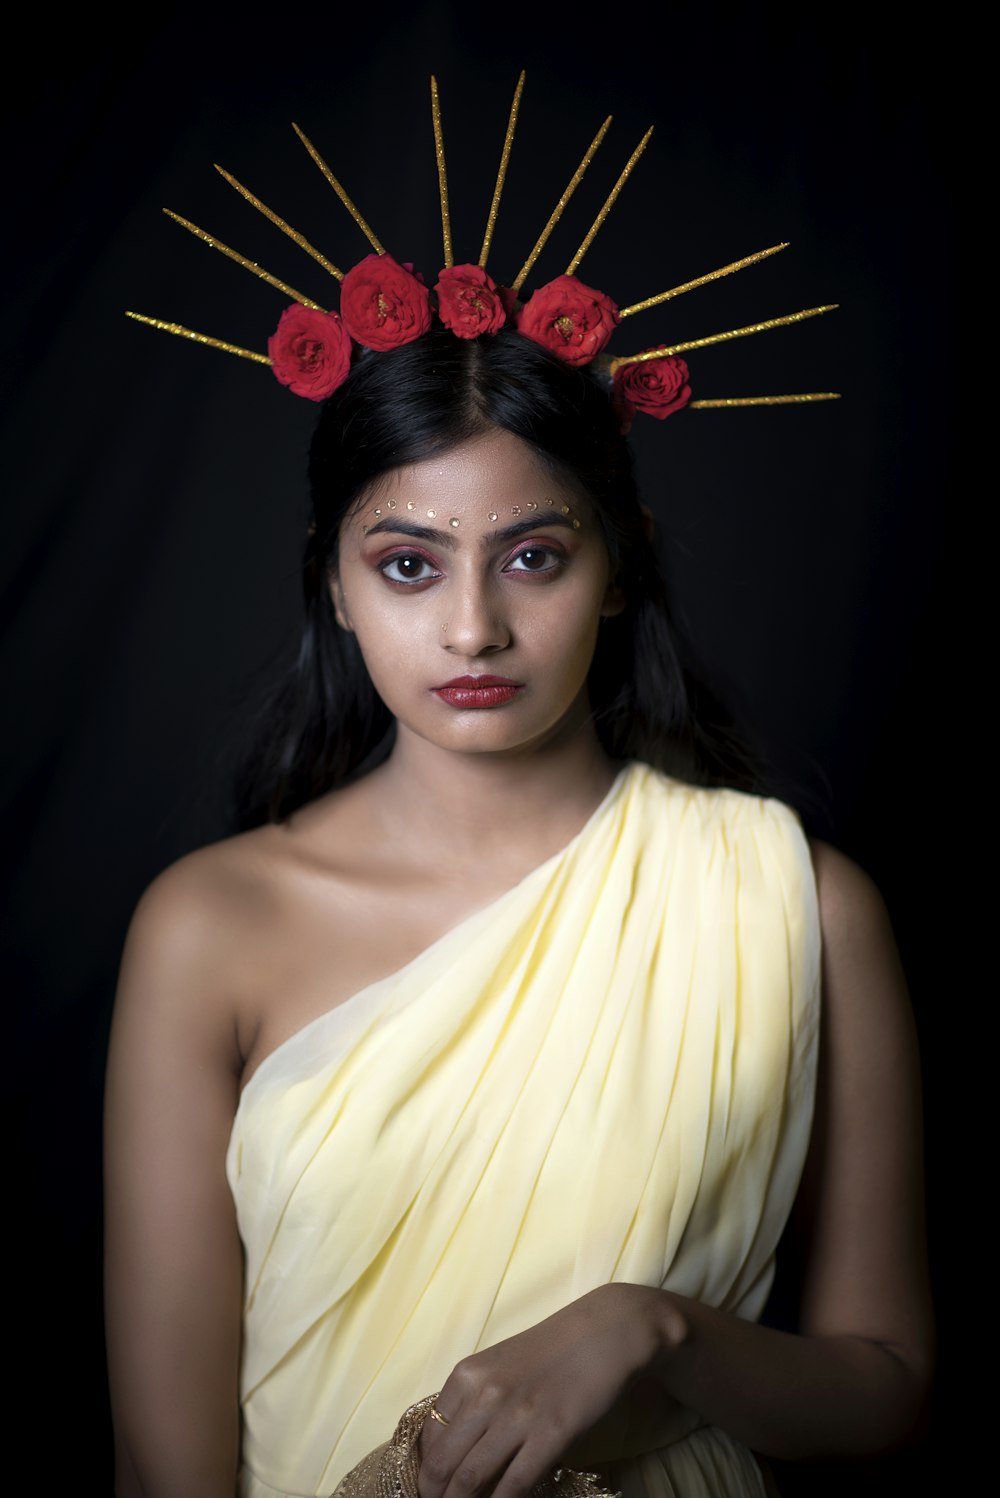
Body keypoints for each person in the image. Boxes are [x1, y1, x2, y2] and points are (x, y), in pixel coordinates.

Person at [104, 310, 933, 1496]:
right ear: (333, 587)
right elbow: (161, 1466)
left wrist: (661, 1333)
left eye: (533, 555)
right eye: (406, 564)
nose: (472, 625)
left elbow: (889, 1389)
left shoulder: (797, 904)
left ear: (619, 567)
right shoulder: (208, 928)